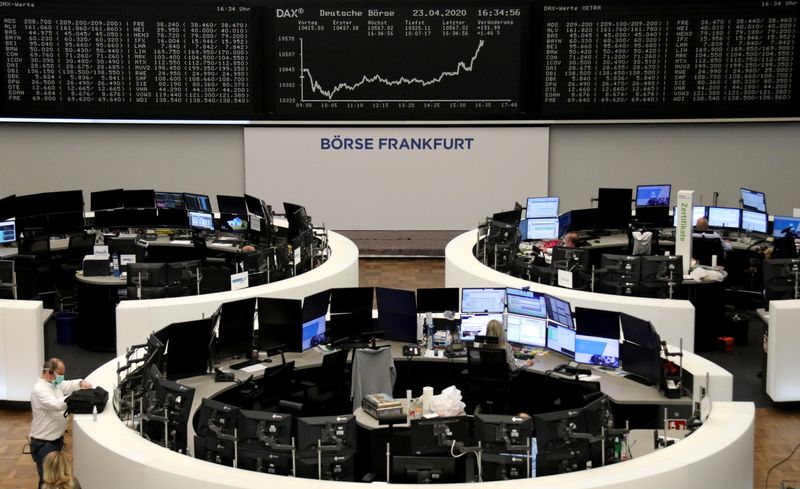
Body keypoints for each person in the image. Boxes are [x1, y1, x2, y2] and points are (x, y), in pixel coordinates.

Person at [30, 358, 92, 489]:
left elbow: (67, 385)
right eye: (60, 374)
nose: (62, 377)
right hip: (44, 444)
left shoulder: (53, 383)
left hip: (55, 440)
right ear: (50, 372)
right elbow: (56, 404)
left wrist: (80, 383)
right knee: (47, 481)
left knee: (55, 479)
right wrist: (75, 396)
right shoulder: (40, 389)